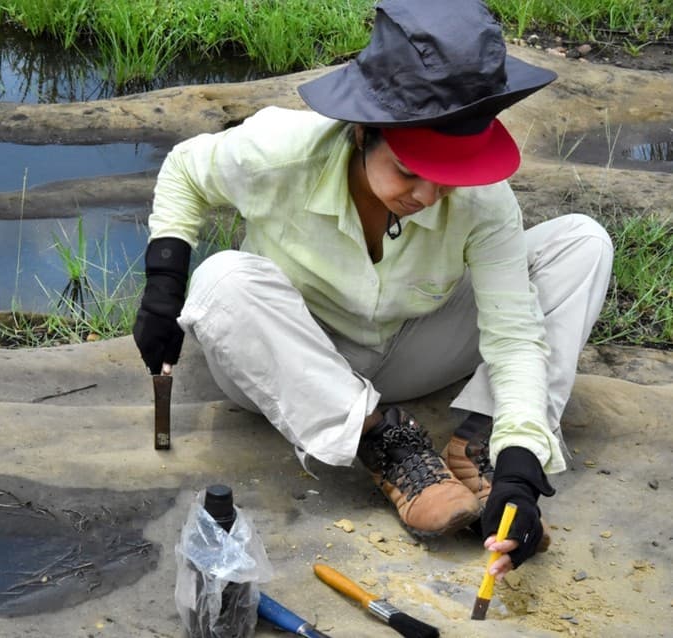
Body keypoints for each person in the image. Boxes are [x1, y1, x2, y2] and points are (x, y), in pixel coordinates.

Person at [132, 0, 613, 579]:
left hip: (414, 350)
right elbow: (185, 169)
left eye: (448, 177)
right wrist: (164, 278)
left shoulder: (483, 200)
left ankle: (483, 441)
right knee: (222, 279)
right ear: (363, 132)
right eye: (410, 171)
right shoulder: (279, 149)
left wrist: (522, 460)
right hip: (296, 357)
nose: (428, 196)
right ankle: (387, 443)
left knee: (582, 243)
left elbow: (514, 335)